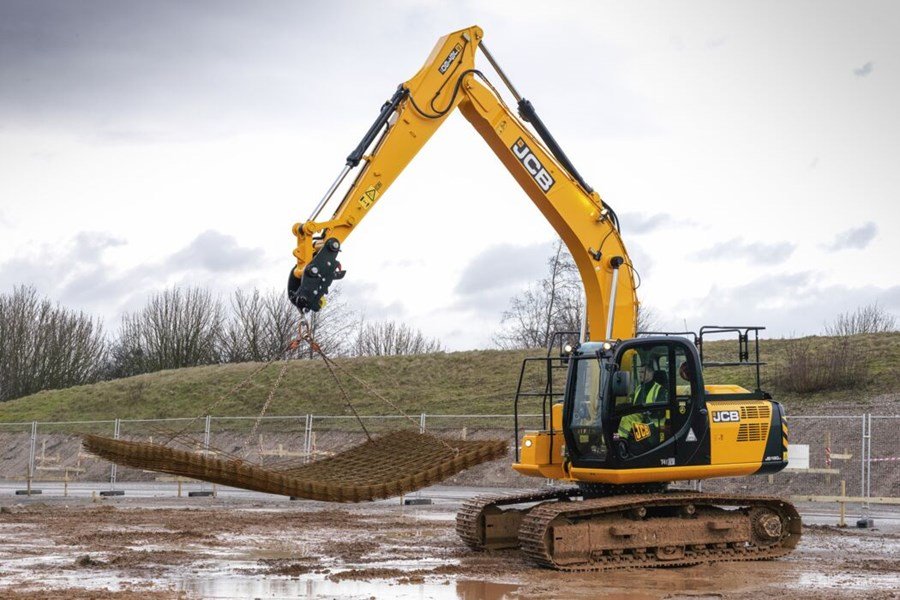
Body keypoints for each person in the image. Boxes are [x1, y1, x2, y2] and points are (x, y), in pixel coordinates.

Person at [617, 362, 666, 441]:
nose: (640, 374)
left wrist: (649, 411)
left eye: (643, 372)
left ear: (651, 373)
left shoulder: (660, 389)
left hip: (654, 425)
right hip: (641, 419)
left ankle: (621, 441)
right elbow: (634, 404)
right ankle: (618, 438)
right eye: (639, 372)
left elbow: (661, 410)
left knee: (626, 418)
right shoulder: (639, 388)